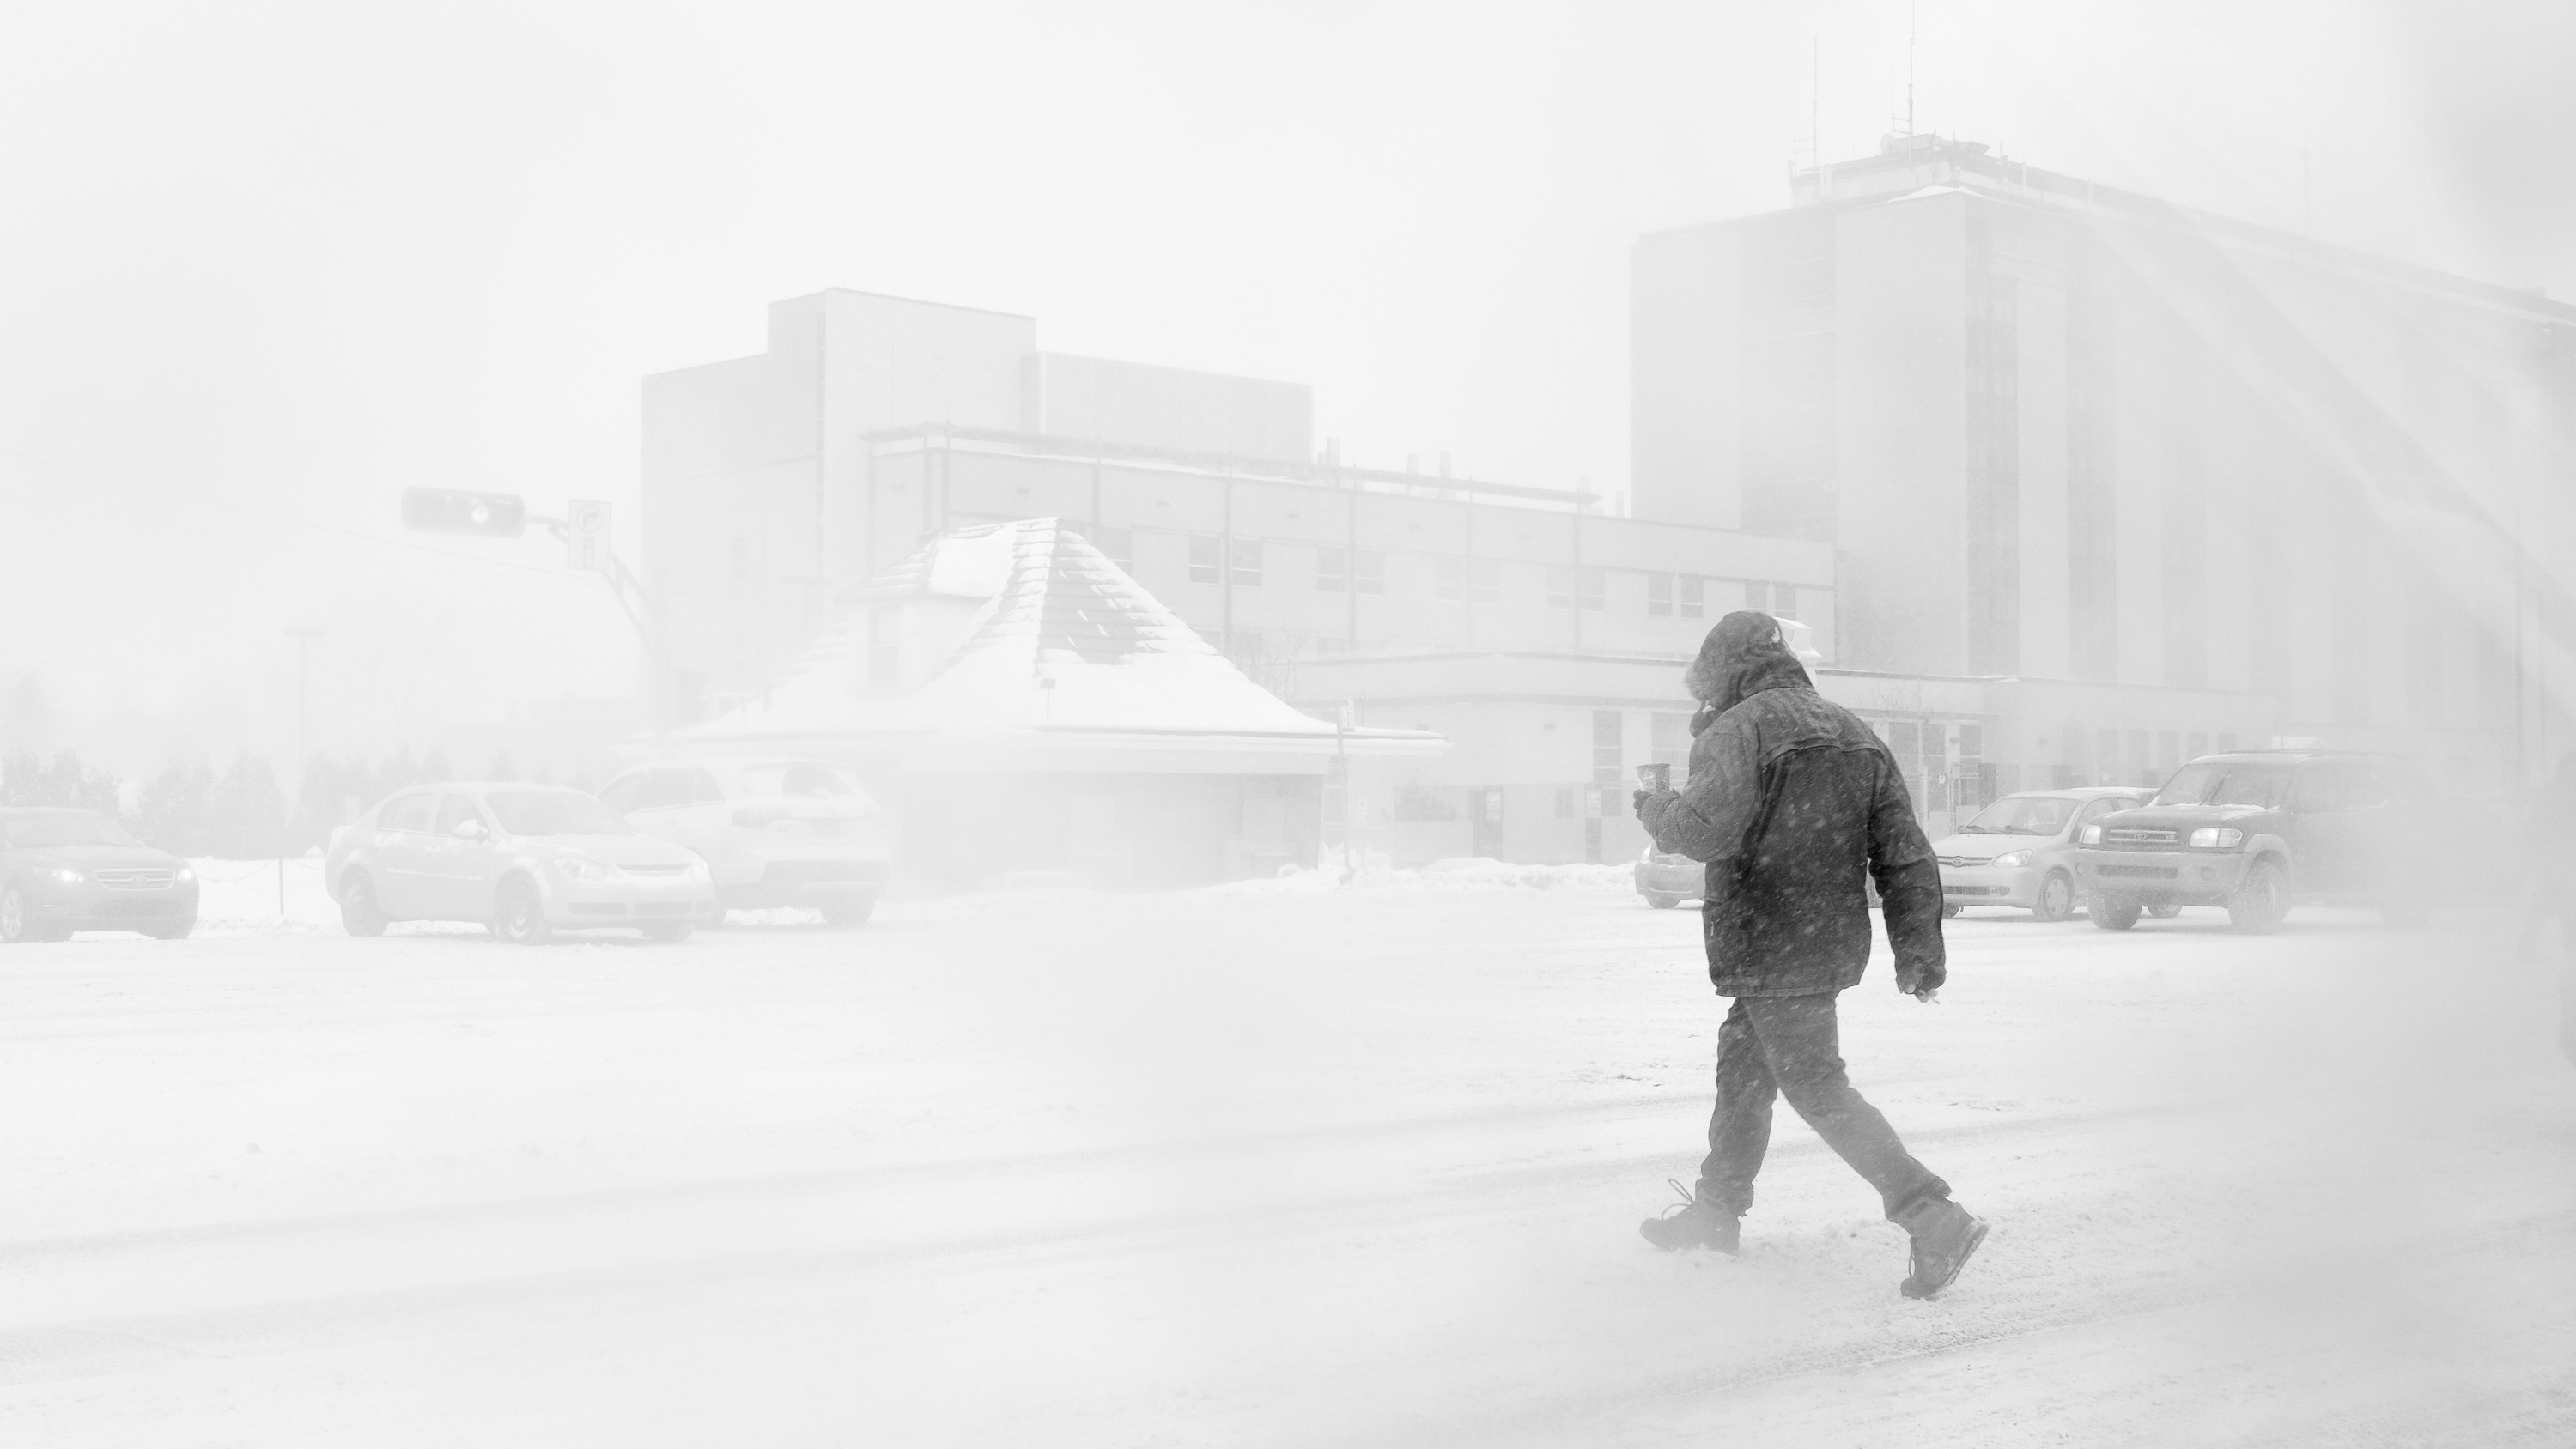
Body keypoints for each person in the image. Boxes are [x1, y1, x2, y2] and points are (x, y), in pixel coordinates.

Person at [1631, 610, 1986, 1300]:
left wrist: (1656, 806)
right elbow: (1905, 850)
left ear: (1722, 673)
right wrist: (1917, 950)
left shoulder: (1740, 730)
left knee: (1816, 1084)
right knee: (1744, 1068)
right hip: (1820, 939)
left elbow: (1703, 832)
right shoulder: (1852, 730)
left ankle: (1931, 1215)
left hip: (1768, 934)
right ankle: (1714, 1212)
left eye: (1704, 686)